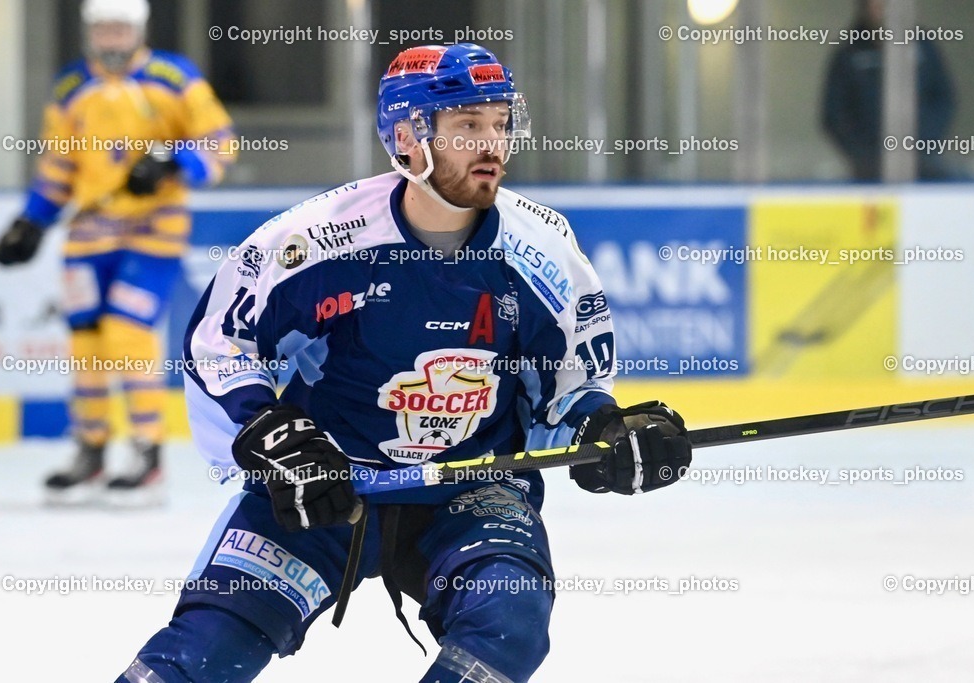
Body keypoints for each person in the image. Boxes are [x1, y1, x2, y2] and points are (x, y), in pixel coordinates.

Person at [116, 43, 692, 682]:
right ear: (407, 137)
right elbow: (219, 346)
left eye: (500, 123)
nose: (491, 144)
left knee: (509, 624)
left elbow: (570, 387)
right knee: (199, 652)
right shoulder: (314, 240)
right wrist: (273, 437)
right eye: (468, 126)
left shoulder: (545, 252)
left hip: (472, 485)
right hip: (325, 489)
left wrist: (606, 433)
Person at [0, 0, 235, 504]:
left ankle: (147, 453)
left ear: (138, 29)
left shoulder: (173, 77)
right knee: (88, 344)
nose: (112, 38)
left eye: (121, 28)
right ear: (89, 32)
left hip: (154, 232)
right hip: (87, 236)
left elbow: (220, 142)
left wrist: (172, 162)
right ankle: (91, 449)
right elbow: (59, 165)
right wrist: (31, 220)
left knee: (128, 332)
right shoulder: (70, 87)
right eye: (103, 28)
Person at [822, 0, 956, 180]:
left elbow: (943, 98)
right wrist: (862, 154)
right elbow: (834, 112)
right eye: (876, 6)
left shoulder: (923, 45)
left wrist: (927, 142)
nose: (883, 11)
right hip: (869, 168)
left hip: (923, 163)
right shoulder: (849, 51)